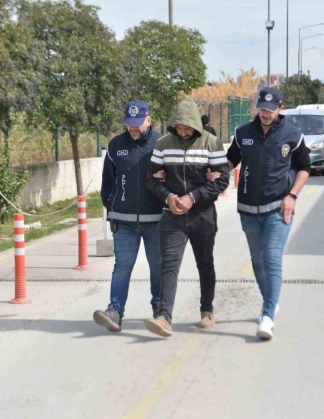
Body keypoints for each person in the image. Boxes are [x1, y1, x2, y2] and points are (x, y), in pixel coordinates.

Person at [226, 87, 311, 340]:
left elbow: (305, 168)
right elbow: (230, 161)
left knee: (272, 259)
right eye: (262, 109)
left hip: (278, 208)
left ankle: (267, 317)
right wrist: (213, 172)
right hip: (248, 210)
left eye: (270, 110)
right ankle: (271, 302)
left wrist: (292, 196)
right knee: (258, 261)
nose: (265, 114)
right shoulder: (243, 133)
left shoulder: (292, 135)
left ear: (280, 108)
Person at [144, 101, 230, 337]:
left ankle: (207, 310)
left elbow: (223, 180)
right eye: (178, 128)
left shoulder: (212, 143)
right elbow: (151, 179)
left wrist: (193, 197)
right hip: (172, 215)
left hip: (203, 215)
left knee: (205, 263)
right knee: (169, 265)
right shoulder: (163, 144)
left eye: (187, 128)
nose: (182, 132)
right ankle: (164, 317)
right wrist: (169, 197)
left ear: (195, 125)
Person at [93, 101, 164, 332]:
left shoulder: (161, 144)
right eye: (129, 124)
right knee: (122, 266)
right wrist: (112, 205)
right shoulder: (115, 145)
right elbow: (108, 182)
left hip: (156, 220)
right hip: (123, 221)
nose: (132, 128)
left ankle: (160, 309)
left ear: (148, 120)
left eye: (137, 123)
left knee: (158, 266)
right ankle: (115, 311)